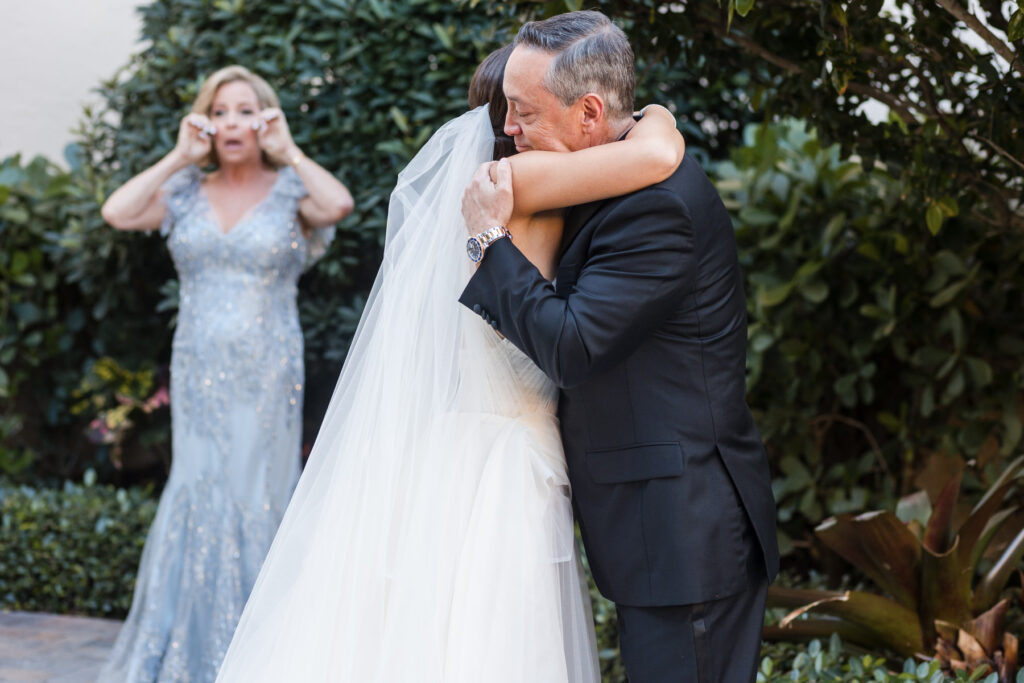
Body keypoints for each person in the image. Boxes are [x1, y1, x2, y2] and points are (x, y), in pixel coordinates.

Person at [214, 44, 683, 683]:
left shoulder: (471, 195)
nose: (522, 125)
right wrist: (655, 112)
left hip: (459, 442)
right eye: (518, 111)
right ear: (508, 125)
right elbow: (655, 155)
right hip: (510, 459)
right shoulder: (521, 185)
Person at [459, 11, 780, 683]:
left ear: (590, 113)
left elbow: (573, 346)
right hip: (653, 530)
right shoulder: (615, 167)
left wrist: (489, 241)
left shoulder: (653, 207)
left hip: (683, 532)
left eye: (523, 112)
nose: (510, 131)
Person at [97, 65, 354, 682]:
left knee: (257, 494)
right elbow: (116, 211)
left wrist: (286, 149)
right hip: (199, 372)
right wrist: (177, 157)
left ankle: (261, 658)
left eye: (245, 110)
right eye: (220, 111)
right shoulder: (183, 191)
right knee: (199, 490)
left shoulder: (293, 191)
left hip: (268, 375)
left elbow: (339, 203)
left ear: (265, 120)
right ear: (203, 122)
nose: (232, 122)